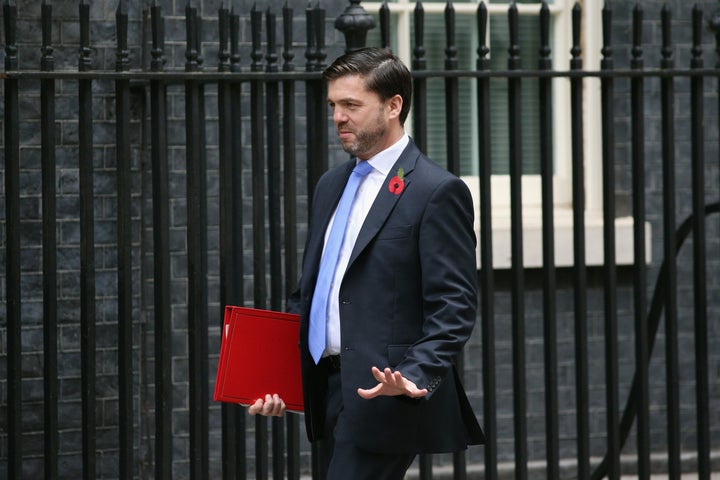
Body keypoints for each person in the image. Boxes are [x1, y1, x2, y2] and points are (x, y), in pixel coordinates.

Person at [248, 47, 484, 479]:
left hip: (384, 394)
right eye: (334, 105)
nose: (338, 117)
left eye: (352, 105)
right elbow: (313, 291)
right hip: (327, 388)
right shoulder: (331, 184)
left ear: (394, 105)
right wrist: (277, 378)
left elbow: (455, 307)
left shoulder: (436, 191)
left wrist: (412, 376)